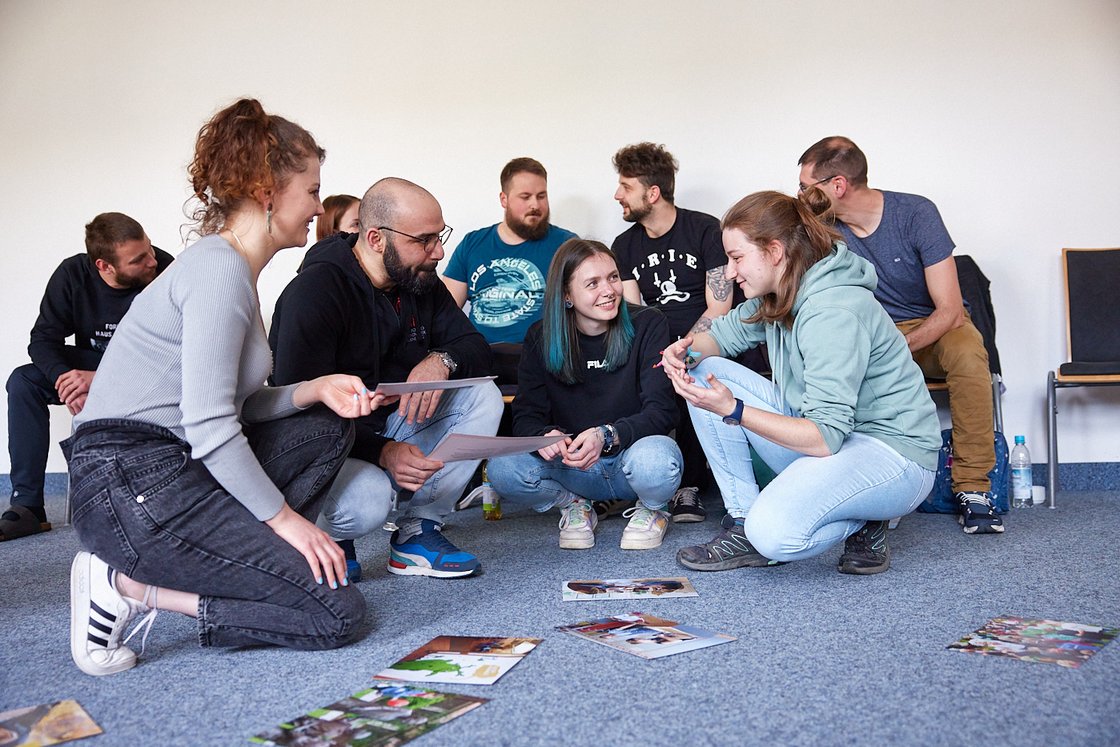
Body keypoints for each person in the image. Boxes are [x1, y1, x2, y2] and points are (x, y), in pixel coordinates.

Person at [63, 98, 377, 677]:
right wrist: (286, 520)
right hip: (129, 480)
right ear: (266, 190)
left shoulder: (235, 273)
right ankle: (129, 586)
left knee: (328, 425)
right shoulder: (217, 269)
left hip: (166, 465)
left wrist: (312, 389)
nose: (316, 207)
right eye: (310, 191)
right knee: (335, 614)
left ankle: (256, 564)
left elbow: (228, 408)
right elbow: (209, 425)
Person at [663, 189, 940, 575]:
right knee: (705, 372)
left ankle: (866, 513)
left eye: (737, 257)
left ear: (775, 252)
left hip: (894, 454)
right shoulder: (781, 291)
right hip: (834, 439)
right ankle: (742, 522)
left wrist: (734, 410)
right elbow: (722, 336)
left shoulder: (832, 311)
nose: (729, 272)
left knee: (773, 535)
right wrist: (686, 353)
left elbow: (825, 437)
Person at [270, 177, 503, 580]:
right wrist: (382, 451)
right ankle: (327, 533)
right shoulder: (315, 292)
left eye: (440, 236)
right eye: (425, 240)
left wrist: (441, 361)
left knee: (483, 395)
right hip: (327, 447)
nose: (439, 252)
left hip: (390, 428)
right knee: (368, 503)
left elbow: (474, 346)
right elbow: (298, 421)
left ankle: (418, 531)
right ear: (376, 239)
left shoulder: (420, 280)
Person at [797, 136, 1001, 534]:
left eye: (806, 187)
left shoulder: (916, 213)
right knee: (831, 361)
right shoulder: (820, 228)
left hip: (932, 329)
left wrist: (894, 349)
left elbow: (950, 310)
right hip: (870, 331)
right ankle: (862, 485)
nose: (800, 195)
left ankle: (973, 488)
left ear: (836, 186)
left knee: (968, 352)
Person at [487, 239, 681, 551]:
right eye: (593, 283)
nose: (609, 290)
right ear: (566, 294)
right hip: (574, 469)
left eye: (613, 277)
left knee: (658, 458)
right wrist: (545, 437)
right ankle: (575, 505)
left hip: (631, 463)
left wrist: (607, 435)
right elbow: (525, 416)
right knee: (502, 469)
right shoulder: (540, 336)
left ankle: (654, 508)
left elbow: (662, 411)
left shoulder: (649, 322)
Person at [2, 213, 172, 542]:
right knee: (23, 382)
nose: (152, 261)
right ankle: (28, 507)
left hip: (150, 371)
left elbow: (174, 352)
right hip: (94, 364)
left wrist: (97, 379)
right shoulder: (73, 275)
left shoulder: (165, 271)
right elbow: (43, 340)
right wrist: (68, 382)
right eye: (139, 259)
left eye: (149, 250)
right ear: (104, 266)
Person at [610, 142, 736, 524]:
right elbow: (634, 314)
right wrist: (660, 352)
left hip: (707, 337)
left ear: (653, 193)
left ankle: (689, 486)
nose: (618, 195)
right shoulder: (625, 245)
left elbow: (720, 307)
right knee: (632, 373)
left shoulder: (704, 230)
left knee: (693, 374)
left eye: (626, 187)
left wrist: (683, 350)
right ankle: (636, 481)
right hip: (654, 341)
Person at [442, 157, 577, 387]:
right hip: (481, 360)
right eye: (525, 197)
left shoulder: (566, 244)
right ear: (503, 199)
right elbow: (444, 311)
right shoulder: (473, 243)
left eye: (541, 196)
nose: (535, 205)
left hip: (544, 359)